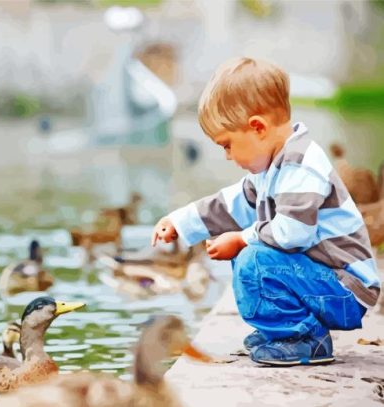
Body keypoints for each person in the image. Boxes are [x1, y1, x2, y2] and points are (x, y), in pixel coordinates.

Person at [151, 57, 381, 366]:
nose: (228, 156)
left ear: (257, 128)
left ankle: (303, 338)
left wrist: (242, 239)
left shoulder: (301, 165)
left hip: (346, 289)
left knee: (253, 258)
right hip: (323, 280)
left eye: (227, 145)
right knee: (248, 253)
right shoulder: (271, 169)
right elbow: (230, 204)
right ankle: (285, 331)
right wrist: (181, 220)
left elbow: (293, 233)